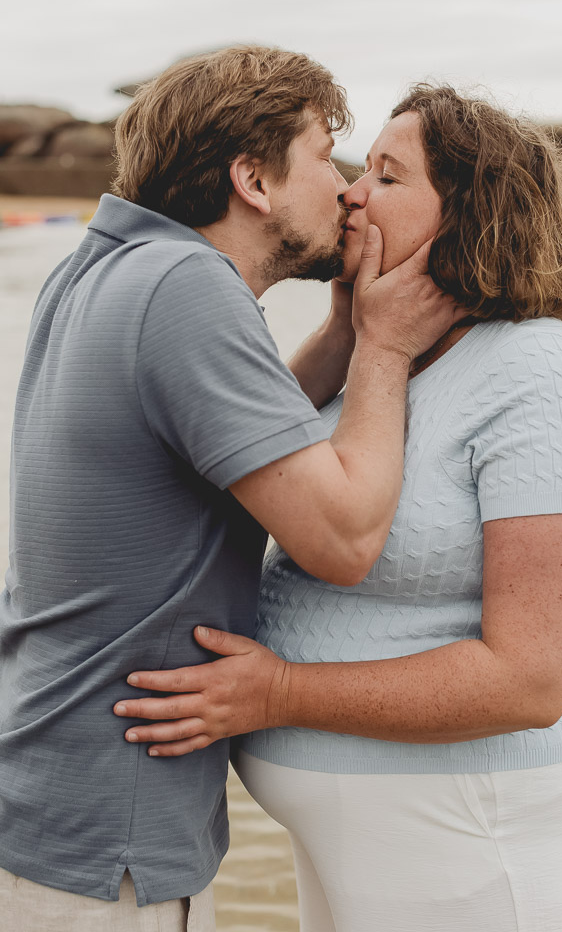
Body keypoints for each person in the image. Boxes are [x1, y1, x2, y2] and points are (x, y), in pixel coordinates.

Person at [120, 84, 562, 932]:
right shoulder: (379, 359)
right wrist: (353, 331)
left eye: (387, 177)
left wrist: (280, 694)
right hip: (374, 839)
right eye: (358, 169)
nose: (351, 193)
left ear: (470, 213)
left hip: (470, 830)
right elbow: (229, 472)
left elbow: (533, 679)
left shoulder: (540, 372)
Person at [0, 50, 462, 932]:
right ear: (252, 180)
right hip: (106, 854)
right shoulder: (186, 288)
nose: (348, 188)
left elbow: (235, 434)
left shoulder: (106, 266)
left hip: (53, 806)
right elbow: (342, 540)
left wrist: (342, 329)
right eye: (325, 157)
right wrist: (386, 347)